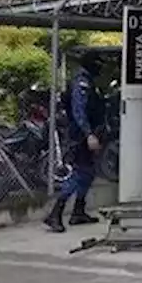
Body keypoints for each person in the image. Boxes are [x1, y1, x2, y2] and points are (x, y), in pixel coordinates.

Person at [44, 53, 105, 233]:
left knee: (89, 173)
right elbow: (79, 111)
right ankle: (55, 213)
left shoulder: (88, 81)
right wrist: (88, 134)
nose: (100, 69)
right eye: (98, 64)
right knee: (80, 172)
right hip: (80, 136)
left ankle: (78, 211)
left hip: (88, 134)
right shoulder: (81, 83)